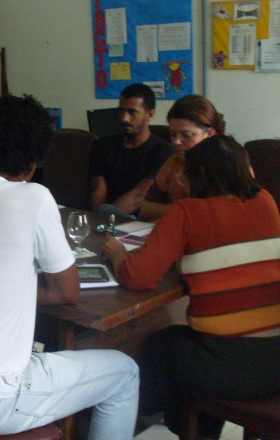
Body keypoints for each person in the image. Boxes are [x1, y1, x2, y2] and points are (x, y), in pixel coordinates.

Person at [0, 95, 139, 438]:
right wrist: (13, 287)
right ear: (33, 159)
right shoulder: (33, 197)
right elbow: (68, 292)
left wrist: (1, 286)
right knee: (125, 372)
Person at [102, 135, 280, 439]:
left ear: (198, 175)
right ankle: (202, 426)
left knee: (160, 345)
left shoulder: (186, 211)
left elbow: (138, 277)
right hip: (275, 361)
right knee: (186, 346)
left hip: (227, 368)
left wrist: (117, 253)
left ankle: (184, 426)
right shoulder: (266, 201)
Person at [89, 83, 173, 218]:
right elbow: (99, 190)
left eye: (132, 112)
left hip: (140, 221)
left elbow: (139, 195)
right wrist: (97, 218)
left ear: (149, 114)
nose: (124, 118)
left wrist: (108, 219)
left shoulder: (164, 151)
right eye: (121, 111)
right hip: (105, 218)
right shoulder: (101, 146)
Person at [139, 94, 223, 221]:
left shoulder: (230, 165)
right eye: (173, 135)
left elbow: (227, 214)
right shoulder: (174, 162)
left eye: (186, 135)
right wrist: (182, 210)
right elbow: (145, 210)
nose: (176, 142)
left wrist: (177, 211)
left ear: (210, 133)